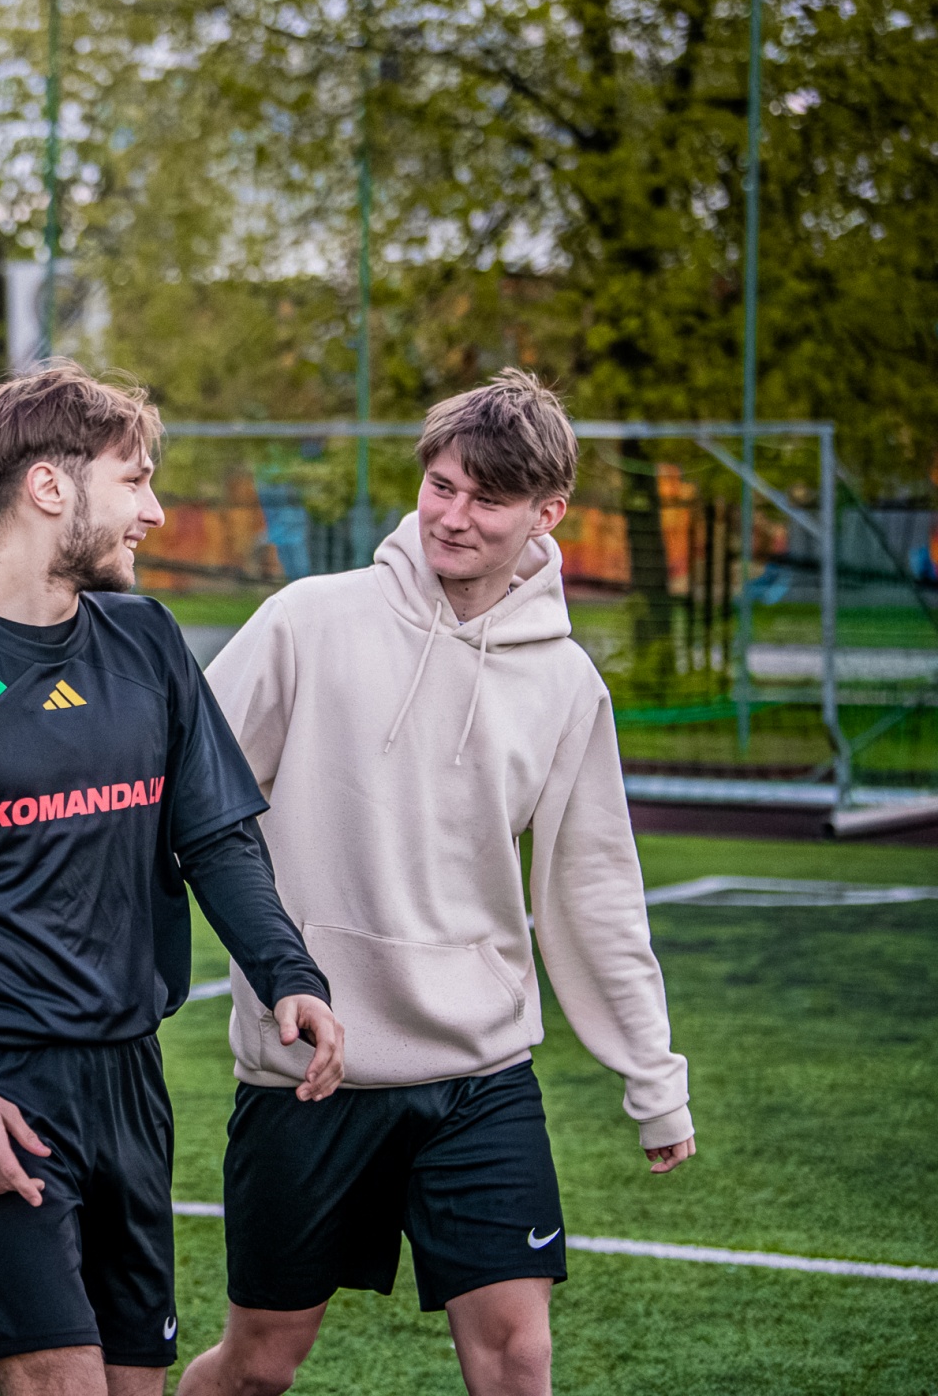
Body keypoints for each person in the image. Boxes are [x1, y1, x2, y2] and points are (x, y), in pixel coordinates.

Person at [0, 362, 345, 1396]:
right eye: (134, 481)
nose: (154, 512)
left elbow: (217, 839)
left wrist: (288, 973)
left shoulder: (148, 640)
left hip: (132, 1082)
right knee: (58, 1380)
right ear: (50, 487)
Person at [181, 370, 695, 1396]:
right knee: (260, 1365)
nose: (453, 517)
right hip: (308, 1073)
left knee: (517, 1354)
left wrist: (653, 1074)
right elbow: (186, 790)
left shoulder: (565, 684)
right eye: (441, 486)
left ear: (548, 513)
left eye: (487, 499)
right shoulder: (308, 622)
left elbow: (593, 891)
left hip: (479, 1073)